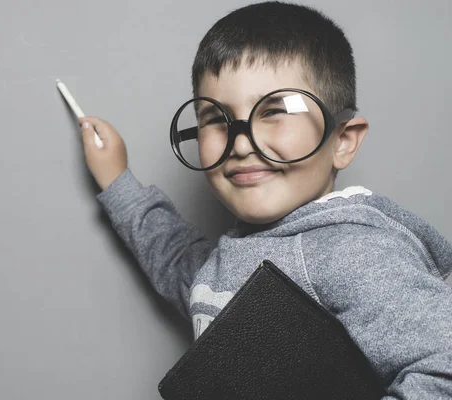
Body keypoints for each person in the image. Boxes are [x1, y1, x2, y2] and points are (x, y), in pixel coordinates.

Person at [77, 1, 452, 397]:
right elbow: (173, 258)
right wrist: (116, 178)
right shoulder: (230, 261)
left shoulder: (353, 252)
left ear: (341, 140)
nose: (240, 143)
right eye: (216, 118)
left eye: (275, 110)